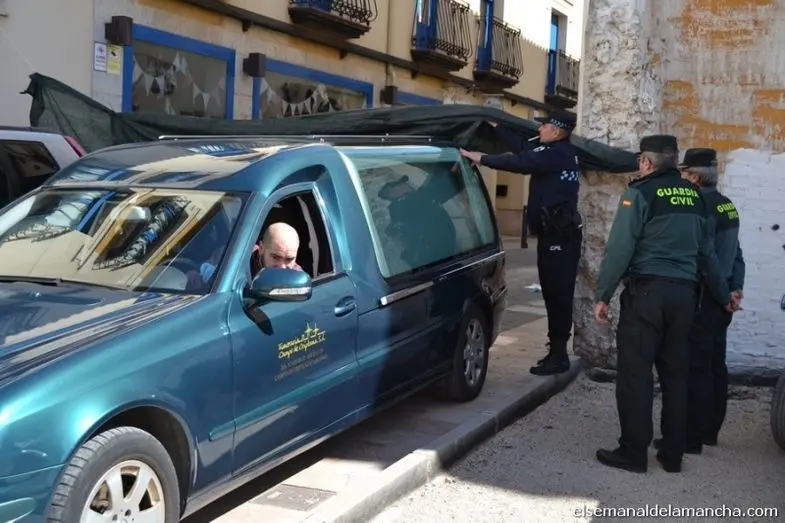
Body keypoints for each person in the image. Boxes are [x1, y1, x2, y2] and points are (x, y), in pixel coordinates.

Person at [592, 135, 736, 474]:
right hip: (685, 297)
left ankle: (633, 452)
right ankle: (673, 454)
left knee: (636, 374)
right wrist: (723, 294)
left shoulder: (639, 193)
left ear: (646, 162)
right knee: (676, 374)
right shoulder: (696, 198)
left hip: (647, 295)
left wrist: (603, 294)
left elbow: (620, 249)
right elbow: (707, 255)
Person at [460, 109, 582, 376]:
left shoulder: (557, 154)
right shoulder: (555, 151)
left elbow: (520, 162)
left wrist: (481, 158)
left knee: (557, 294)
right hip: (554, 236)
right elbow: (523, 147)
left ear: (556, 131)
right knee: (552, 291)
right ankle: (556, 351)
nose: (539, 129)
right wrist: (497, 127)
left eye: (544, 126)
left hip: (560, 238)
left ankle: (559, 355)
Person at [651, 148, 745, 454]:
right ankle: (710, 430)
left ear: (693, 177)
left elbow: (707, 259)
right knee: (716, 365)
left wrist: (723, 295)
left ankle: (692, 437)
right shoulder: (727, 205)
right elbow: (737, 254)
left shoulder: (701, 207)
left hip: (707, 298)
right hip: (723, 298)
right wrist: (735, 290)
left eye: (684, 172)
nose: (681, 177)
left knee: (696, 369)